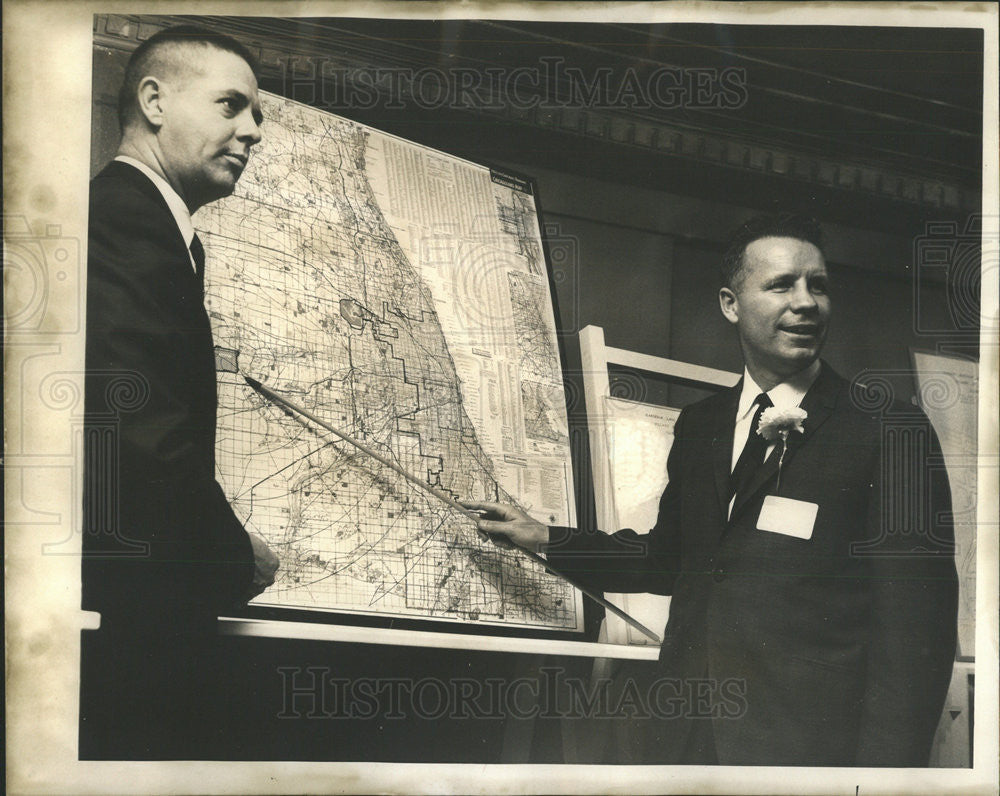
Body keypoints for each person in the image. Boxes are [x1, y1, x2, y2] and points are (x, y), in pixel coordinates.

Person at [464, 213, 958, 767]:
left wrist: (886, 782)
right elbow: (667, 558)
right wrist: (545, 537)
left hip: (808, 753)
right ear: (731, 303)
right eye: (780, 285)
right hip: (682, 737)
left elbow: (917, 636)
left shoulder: (889, 429)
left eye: (818, 285)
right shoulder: (701, 426)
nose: (807, 302)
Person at [81, 25, 278, 758]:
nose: (253, 131)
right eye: (232, 105)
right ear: (154, 100)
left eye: (256, 115)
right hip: (133, 627)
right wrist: (234, 557)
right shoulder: (122, 223)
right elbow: (137, 432)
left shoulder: (147, 228)